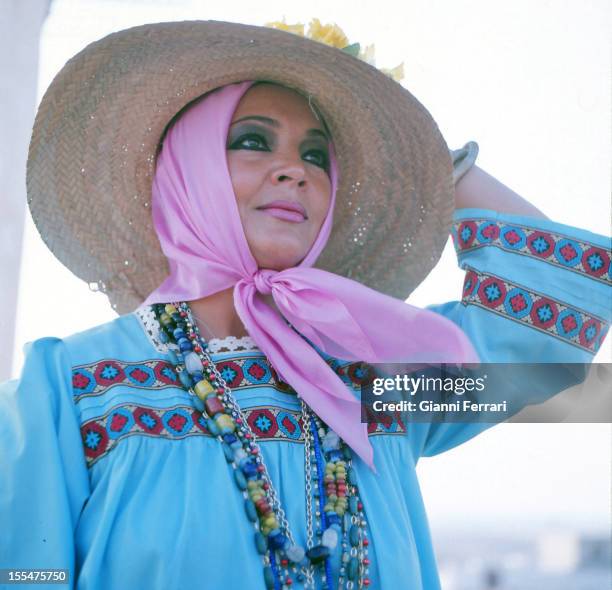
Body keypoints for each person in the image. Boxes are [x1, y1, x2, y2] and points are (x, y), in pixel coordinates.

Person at [1, 18, 610, 590]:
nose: (295, 169)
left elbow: (553, 309)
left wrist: (435, 164)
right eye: (253, 141)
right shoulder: (66, 390)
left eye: (318, 155)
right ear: (185, 174)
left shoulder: (378, 380)